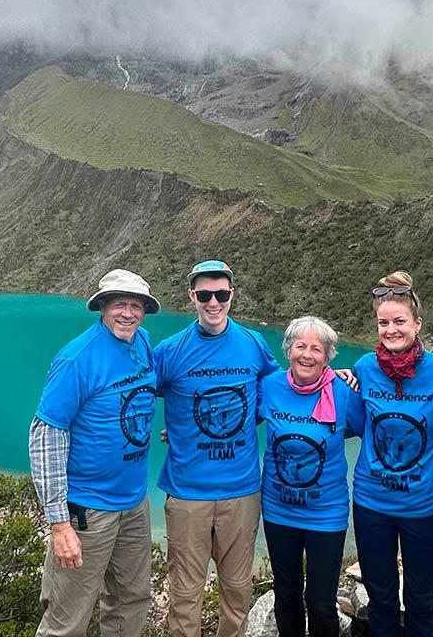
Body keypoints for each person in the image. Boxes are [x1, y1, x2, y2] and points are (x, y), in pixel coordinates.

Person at [29, 269, 161, 637]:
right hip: (88, 509)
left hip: (134, 503)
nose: (129, 313)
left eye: (137, 306)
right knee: (68, 616)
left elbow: (148, 395)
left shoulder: (142, 343)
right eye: (120, 303)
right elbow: (46, 438)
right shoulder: (78, 359)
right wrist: (59, 525)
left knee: (131, 600)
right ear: (102, 306)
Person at [154, 260, 280, 637]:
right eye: (205, 295)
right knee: (185, 594)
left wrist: (336, 378)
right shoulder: (170, 351)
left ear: (231, 296)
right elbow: (137, 392)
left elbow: (278, 389)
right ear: (192, 296)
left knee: (238, 591)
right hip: (187, 492)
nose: (213, 303)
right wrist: (174, 428)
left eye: (221, 294)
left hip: (241, 491)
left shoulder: (253, 344)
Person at [350, 271, 433, 637]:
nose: (391, 330)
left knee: (422, 599)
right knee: (380, 598)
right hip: (371, 503)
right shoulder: (365, 367)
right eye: (383, 322)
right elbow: (357, 420)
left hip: (422, 507)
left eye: (399, 321)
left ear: (417, 323)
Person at [258, 316, 364, 637]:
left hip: (325, 515)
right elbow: (235, 419)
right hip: (279, 511)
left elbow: (368, 430)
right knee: (286, 596)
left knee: (320, 602)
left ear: (328, 356)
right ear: (288, 350)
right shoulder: (270, 386)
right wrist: (181, 433)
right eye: (300, 346)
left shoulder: (344, 391)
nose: (307, 354)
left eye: (316, 349)